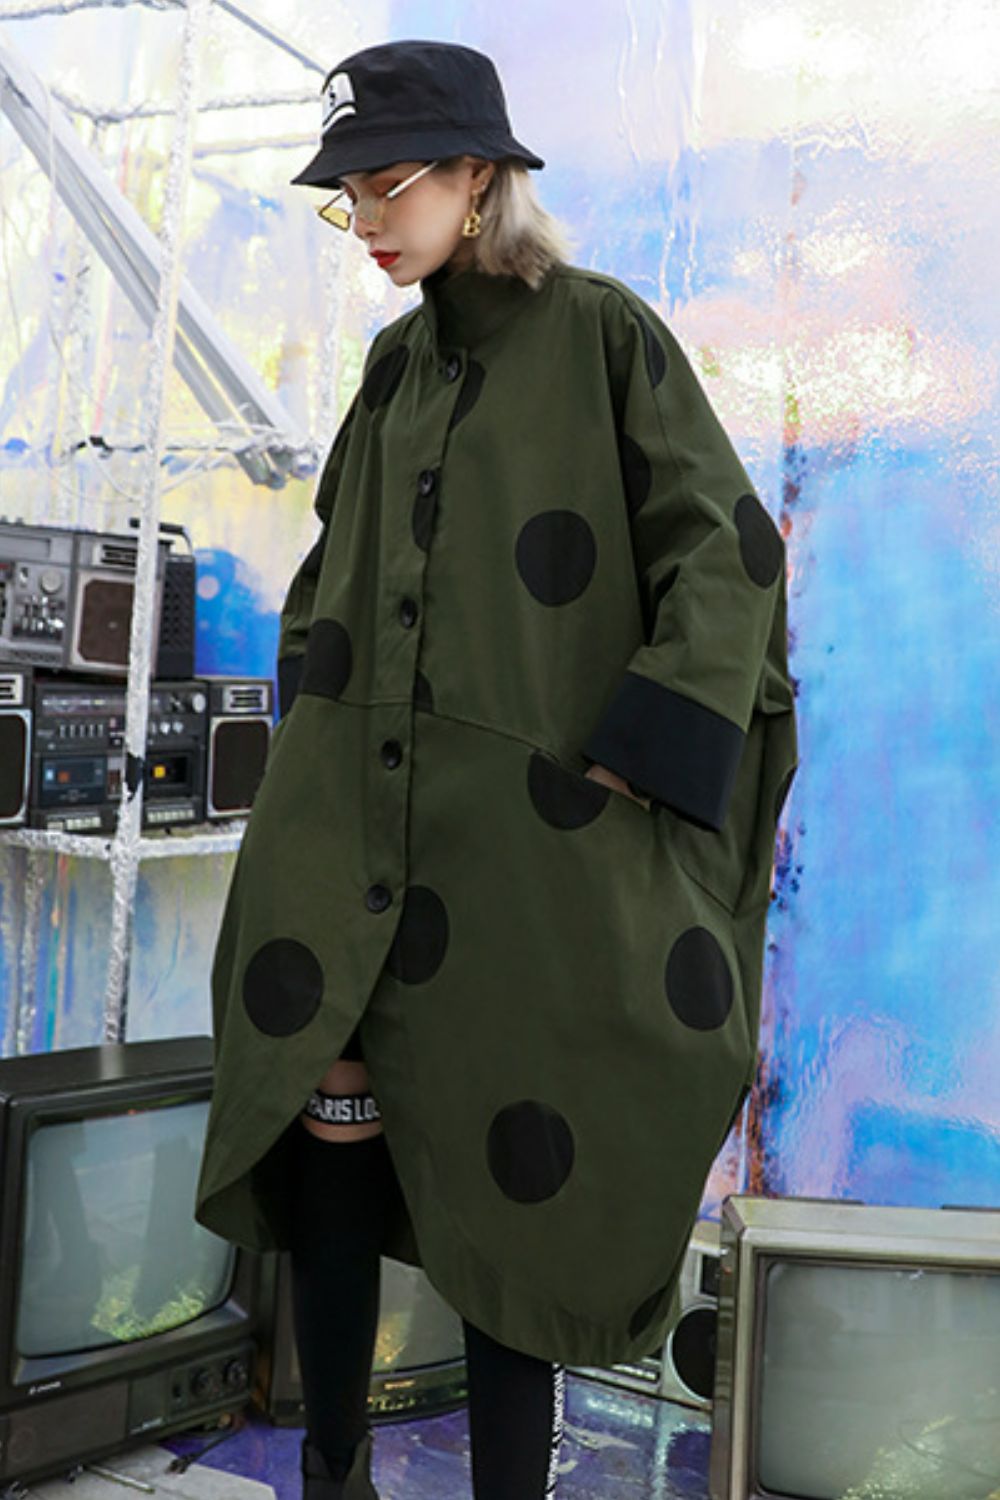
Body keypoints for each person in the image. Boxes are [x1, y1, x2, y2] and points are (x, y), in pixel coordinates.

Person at [193, 37, 798, 1500]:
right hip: (355, 834)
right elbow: (334, 581)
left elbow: (730, 555)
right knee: (332, 1154)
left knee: (510, 1199)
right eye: (346, 195)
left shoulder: (602, 335)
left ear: (481, 177)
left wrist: (630, 770)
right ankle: (333, 1471)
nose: (366, 218)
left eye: (388, 184)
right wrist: (306, 765)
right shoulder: (394, 367)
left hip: (523, 858)